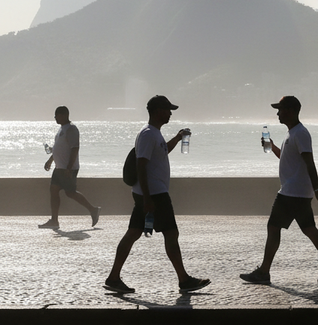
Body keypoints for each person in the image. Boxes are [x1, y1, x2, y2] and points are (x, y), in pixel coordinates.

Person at [104, 95, 210, 294]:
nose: (170, 113)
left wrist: (178, 138)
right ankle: (184, 280)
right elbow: (141, 165)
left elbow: (161, 153)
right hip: (154, 194)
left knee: (134, 233)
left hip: (150, 193)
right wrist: (147, 199)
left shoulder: (155, 134)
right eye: (168, 109)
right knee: (171, 233)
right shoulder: (148, 134)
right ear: (158, 111)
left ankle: (113, 277)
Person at [240, 96, 318, 285]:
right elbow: (288, 159)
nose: (278, 113)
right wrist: (272, 147)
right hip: (295, 191)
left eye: (280, 109)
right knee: (308, 229)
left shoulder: (300, 133)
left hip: (292, 192)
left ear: (290, 110)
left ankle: (264, 272)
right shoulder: (292, 133)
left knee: (274, 227)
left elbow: (309, 161)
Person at [38, 106, 101, 229]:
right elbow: (57, 149)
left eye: (57, 115)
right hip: (59, 167)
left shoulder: (72, 129)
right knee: (54, 190)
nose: (55, 118)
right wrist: (50, 160)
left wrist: (69, 167)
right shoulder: (61, 129)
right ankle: (54, 220)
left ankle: (93, 210)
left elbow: (75, 148)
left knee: (70, 193)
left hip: (68, 168)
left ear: (64, 115)